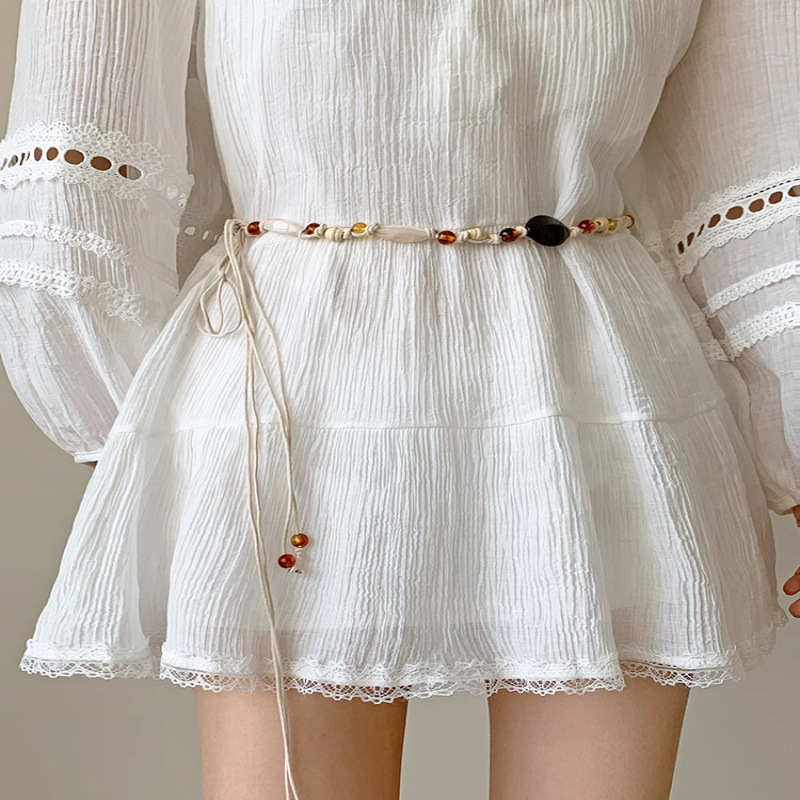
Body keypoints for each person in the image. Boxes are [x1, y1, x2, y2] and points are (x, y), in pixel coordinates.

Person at [0, 1, 798, 798]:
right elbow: (74, 170)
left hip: (602, 393)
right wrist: (144, 439)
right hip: (289, 400)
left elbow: (760, 158)